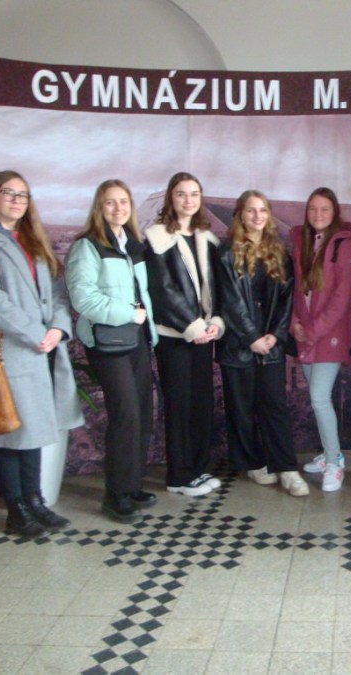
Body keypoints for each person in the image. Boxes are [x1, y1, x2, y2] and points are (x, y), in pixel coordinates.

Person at [0, 170, 83, 537]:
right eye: (8, 193)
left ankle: (35, 501)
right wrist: (36, 332)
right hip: (9, 351)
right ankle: (16, 509)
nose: (16, 200)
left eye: (23, 195)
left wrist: (58, 328)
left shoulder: (34, 240)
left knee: (33, 429)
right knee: (8, 431)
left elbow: (58, 293)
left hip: (41, 350)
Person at [66, 179, 159, 523]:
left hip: (137, 340)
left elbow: (142, 292)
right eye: (110, 202)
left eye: (123, 202)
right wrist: (129, 314)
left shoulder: (133, 244)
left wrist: (147, 327)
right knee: (125, 414)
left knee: (142, 413)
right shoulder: (87, 246)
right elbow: (83, 298)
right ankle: (115, 494)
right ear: (99, 207)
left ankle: (131, 485)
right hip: (108, 343)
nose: (118, 208)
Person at [214, 190, 308, 497]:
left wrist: (275, 335)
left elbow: (286, 299)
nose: (257, 216)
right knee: (241, 408)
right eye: (251, 210)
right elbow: (229, 301)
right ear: (240, 215)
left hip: (271, 345)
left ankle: (287, 468)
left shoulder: (279, 252)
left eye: (262, 210)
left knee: (274, 406)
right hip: (237, 345)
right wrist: (251, 337)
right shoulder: (225, 252)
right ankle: (252, 462)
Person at [144, 172, 224, 497]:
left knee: (201, 404)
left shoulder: (207, 238)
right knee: (179, 406)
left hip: (204, 335)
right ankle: (178, 476)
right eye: (181, 194)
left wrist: (216, 321)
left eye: (194, 194)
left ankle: (197, 469)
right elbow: (162, 291)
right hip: (174, 337)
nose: (188, 200)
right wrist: (193, 326)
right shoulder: (156, 238)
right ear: (170, 198)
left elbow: (217, 286)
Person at [291, 188, 351, 492]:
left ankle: (334, 462)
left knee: (319, 397)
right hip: (305, 333)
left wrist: (313, 330)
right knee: (317, 398)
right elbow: (296, 288)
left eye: (325, 209)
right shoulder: (302, 240)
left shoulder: (343, 244)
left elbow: (342, 298)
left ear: (335, 213)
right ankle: (331, 454)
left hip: (329, 335)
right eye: (313, 209)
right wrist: (295, 323)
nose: (318, 215)